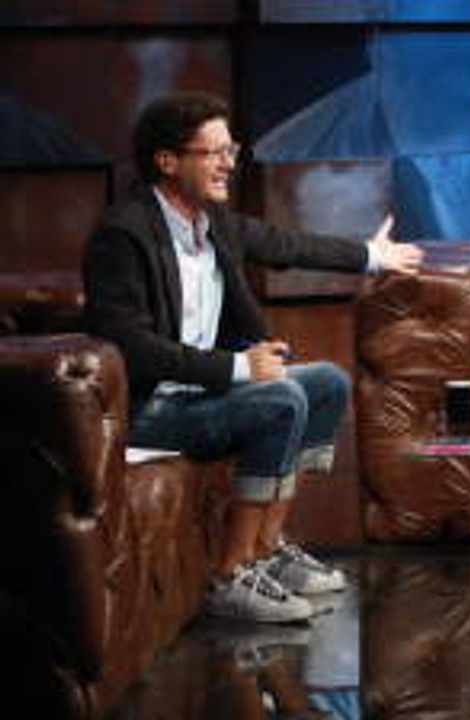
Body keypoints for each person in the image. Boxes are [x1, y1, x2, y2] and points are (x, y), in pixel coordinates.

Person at [82, 91, 424, 622]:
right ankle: (230, 575)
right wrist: (239, 368)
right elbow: (130, 345)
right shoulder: (123, 235)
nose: (228, 164)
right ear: (167, 161)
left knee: (327, 383)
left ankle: (266, 549)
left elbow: (286, 245)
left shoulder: (213, 222)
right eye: (213, 153)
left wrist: (372, 256)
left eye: (231, 151)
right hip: (148, 409)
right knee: (278, 399)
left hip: (198, 395)